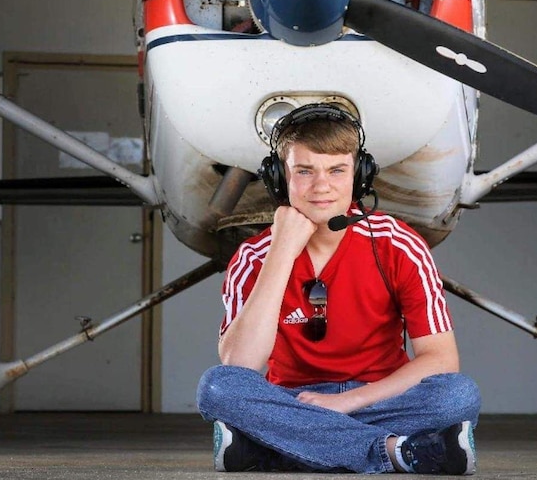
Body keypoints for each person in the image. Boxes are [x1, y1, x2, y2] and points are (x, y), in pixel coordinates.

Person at [196, 103, 481, 474]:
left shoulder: (398, 245)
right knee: (218, 388)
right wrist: (281, 250)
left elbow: (441, 359)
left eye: (336, 170)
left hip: (378, 397)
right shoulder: (253, 257)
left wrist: (347, 403)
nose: (321, 186)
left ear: (359, 177)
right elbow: (240, 365)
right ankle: (397, 452)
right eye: (304, 171)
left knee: (457, 396)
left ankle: (278, 447)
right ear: (280, 179)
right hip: (293, 398)